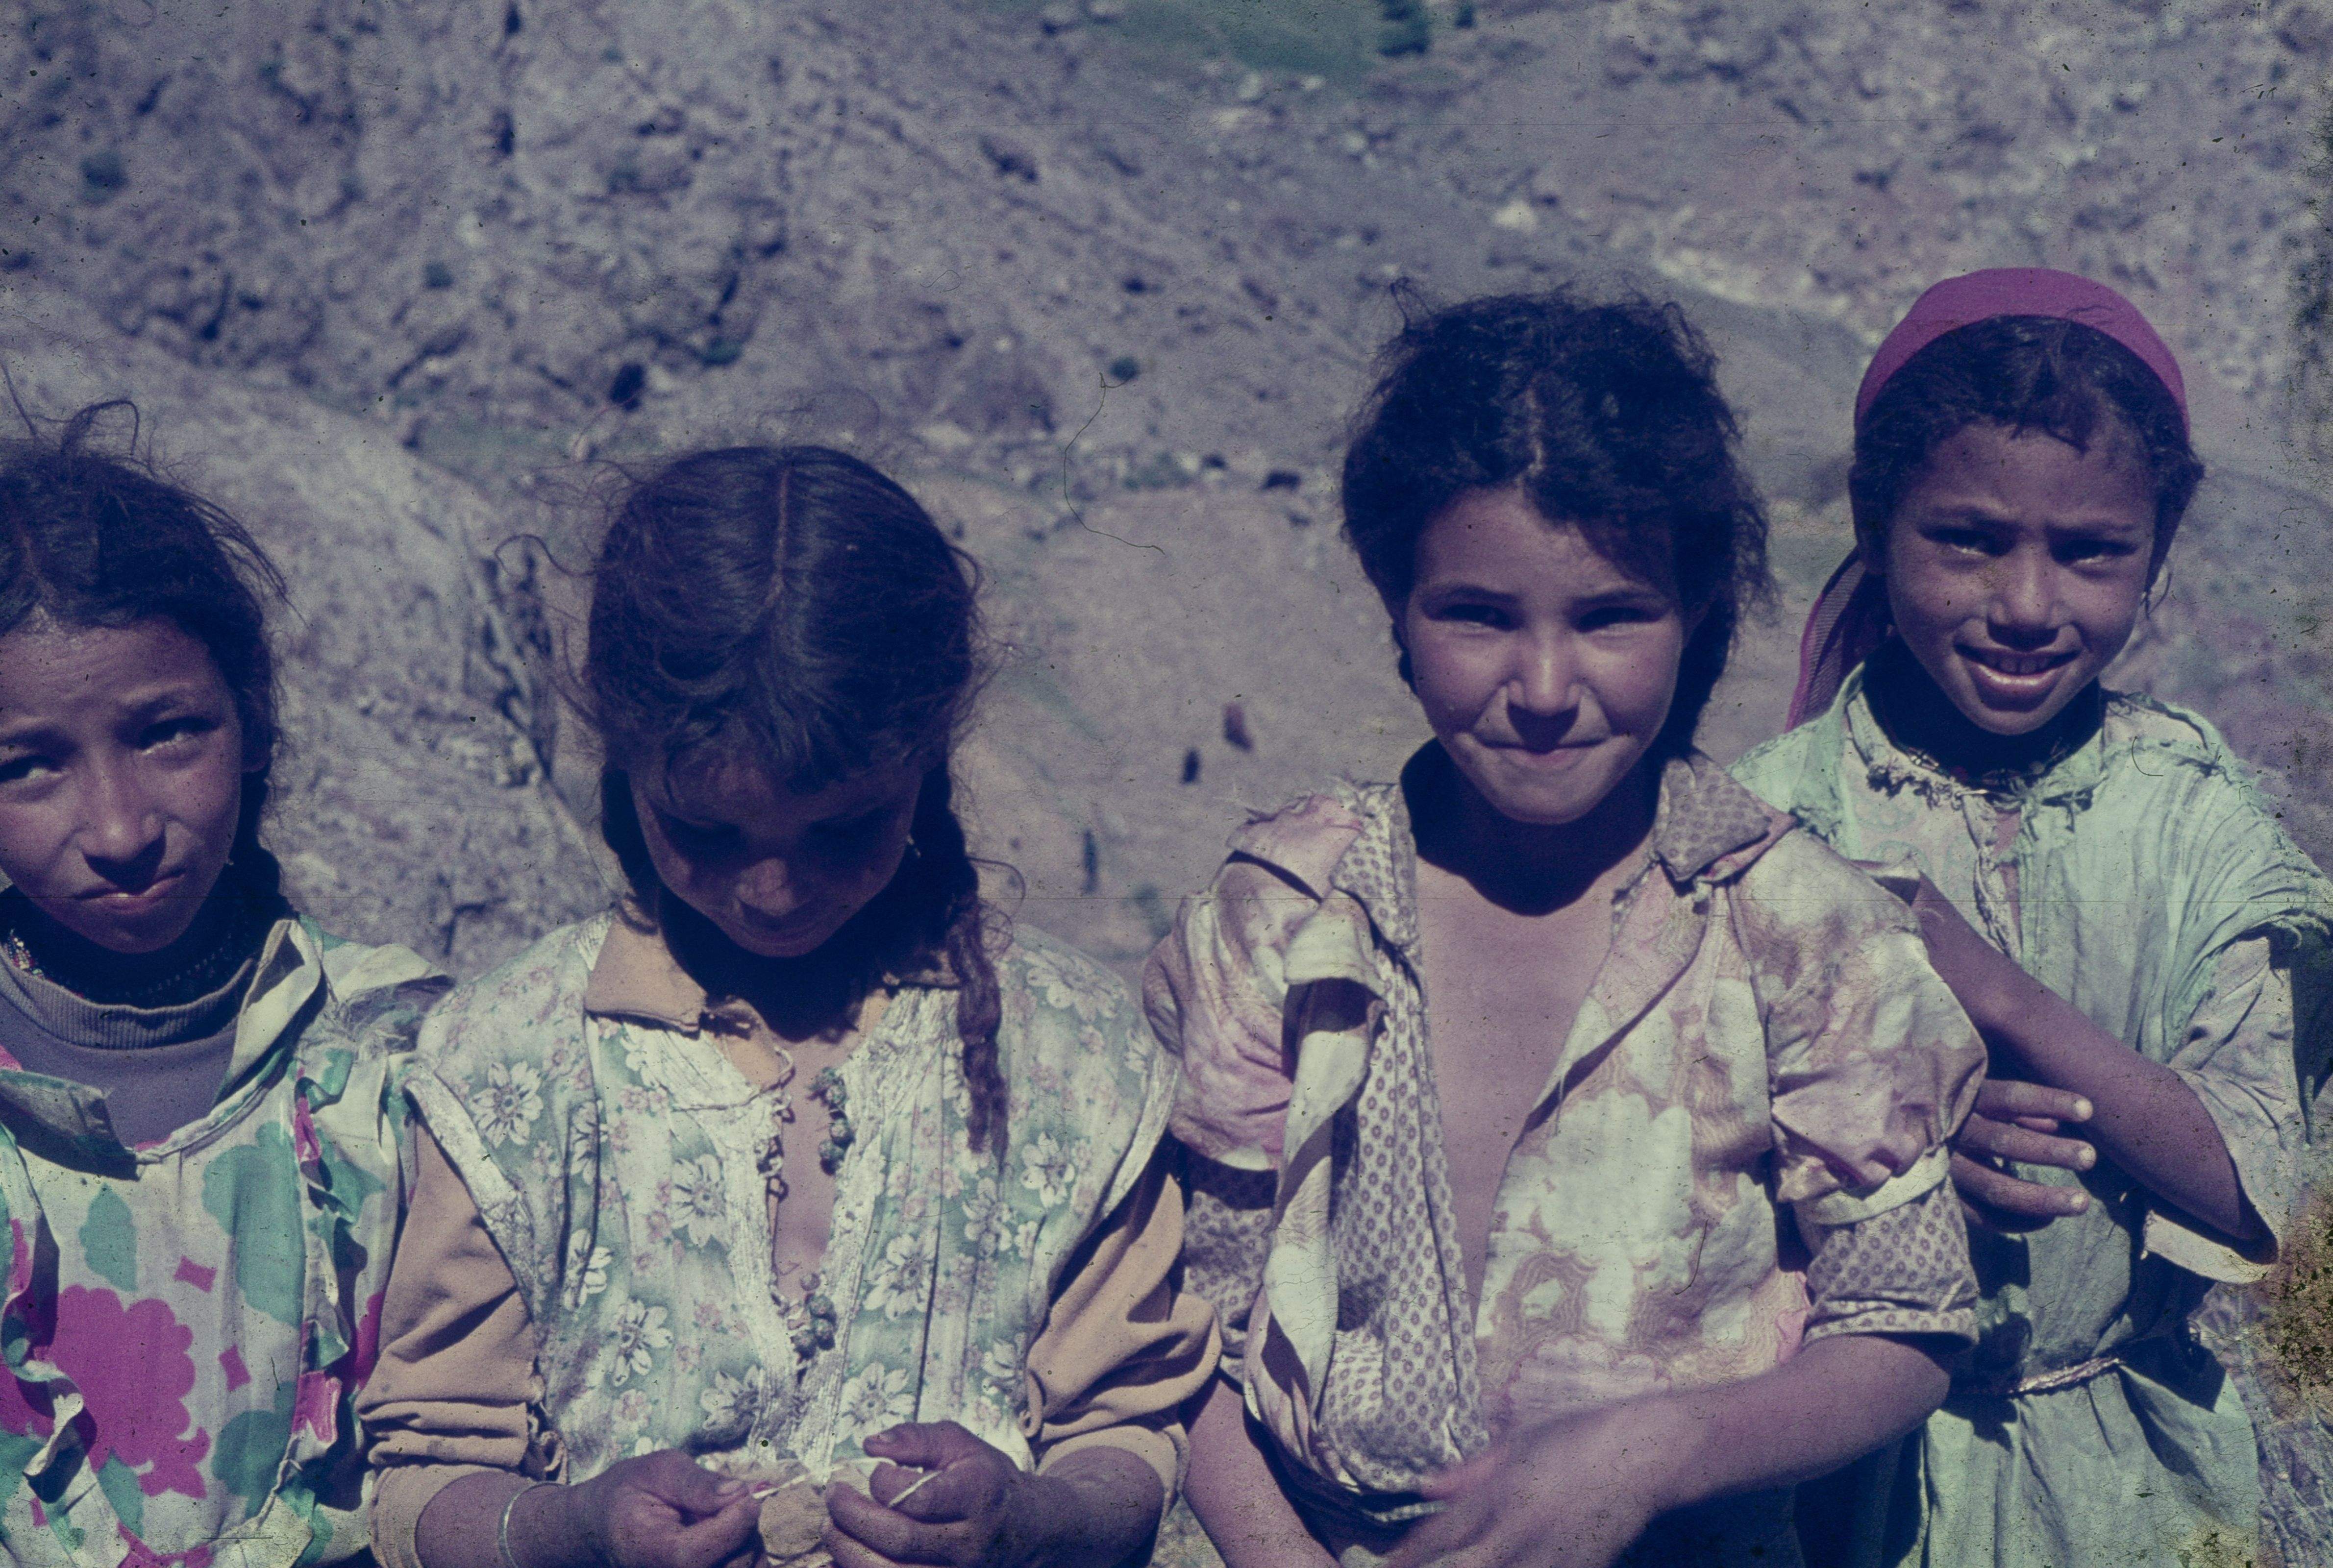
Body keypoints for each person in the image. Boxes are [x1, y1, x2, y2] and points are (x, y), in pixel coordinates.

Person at [1145, 290, 1988, 1568]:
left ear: (1698, 607)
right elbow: (1184, 1317)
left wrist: (1649, 1456)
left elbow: (1907, 1324)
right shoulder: (1282, 922)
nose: (1543, 690)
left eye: (1609, 617)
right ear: (1396, 602)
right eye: (1478, 615)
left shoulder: (1803, 936)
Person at [356, 446, 1216, 1568]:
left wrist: (1031, 1521)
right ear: (624, 757)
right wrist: (570, 1529)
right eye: (708, 835)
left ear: (928, 754)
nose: (774, 891)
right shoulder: (508, 1066)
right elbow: (425, 1473)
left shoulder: (1071, 1061)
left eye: (842, 829)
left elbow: (1126, 1435)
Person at [1733, 267, 2333, 1568]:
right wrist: (1896, 1175)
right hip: (1827, 1485)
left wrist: (1993, 994)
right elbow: (1675, 1179)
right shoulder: (1762, 829)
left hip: (2138, 1493)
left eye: (2090, 551)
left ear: (2155, 555)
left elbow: (2246, 1193)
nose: (2025, 603)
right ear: (1874, 518)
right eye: (1968, 538)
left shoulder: (2204, 832)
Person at [0, 406, 449, 1567]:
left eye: (166, 734)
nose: (118, 828)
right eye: (29, 763)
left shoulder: (401, 1062)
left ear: (253, 717)